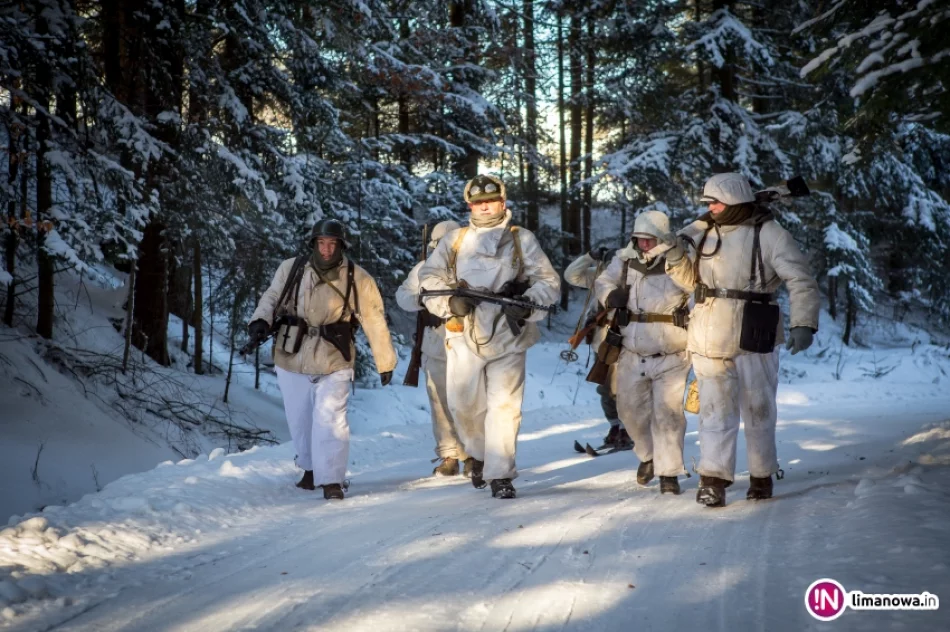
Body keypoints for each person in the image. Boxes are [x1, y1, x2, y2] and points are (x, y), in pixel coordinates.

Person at [662, 173, 820, 507]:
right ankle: (713, 479)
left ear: (733, 200)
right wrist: (675, 261)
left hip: (755, 333)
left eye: (715, 202)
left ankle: (762, 475)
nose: (710, 208)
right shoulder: (704, 233)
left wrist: (804, 323)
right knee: (714, 412)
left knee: (758, 409)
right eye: (707, 203)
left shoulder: (770, 233)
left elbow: (800, 279)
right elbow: (693, 283)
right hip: (708, 335)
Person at [419, 174, 560, 499]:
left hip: (509, 332)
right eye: (478, 202)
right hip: (463, 332)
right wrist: (450, 303)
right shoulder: (454, 241)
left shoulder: (522, 239)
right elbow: (428, 280)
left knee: (504, 407)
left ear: (502, 202)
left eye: (491, 201)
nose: (485, 207)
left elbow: (549, 282)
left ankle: (501, 474)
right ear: (470, 206)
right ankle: (479, 454)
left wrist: (527, 304)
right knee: (463, 405)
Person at [247, 219, 397, 500]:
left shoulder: (357, 277)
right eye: (321, 243)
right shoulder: (291, 268)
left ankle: (332, 480)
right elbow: (272, 297)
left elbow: (374, 319)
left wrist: (385, 360)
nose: (326, 249)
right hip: (292, 354)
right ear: (313, 244)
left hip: (334, 355)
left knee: (331, 418)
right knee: (299, 419)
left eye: (332, 244)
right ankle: (310, 468)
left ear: (341, 246)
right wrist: (260, 320)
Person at [594, 211, 691, 494]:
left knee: (668, 415)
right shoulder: (624, 259)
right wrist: (610, 296)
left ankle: (669, 473)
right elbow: (603, 282)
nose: (644, 244)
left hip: (672, 352)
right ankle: (648, 456)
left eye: (650, 239)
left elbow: (694, 287)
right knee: (630, 413)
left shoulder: (680, 261)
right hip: (631, 350)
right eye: (639, 238)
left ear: (661, 238)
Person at [396, 220, 472, 476]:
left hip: (468, 344)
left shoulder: (474, 268)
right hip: (434, 343)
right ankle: (449, 454)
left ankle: (473, 454)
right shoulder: (423, 269)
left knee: (468, 402)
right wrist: (423, 299)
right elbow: (403, 297)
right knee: (440, 402)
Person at [564, 249, 632, 450]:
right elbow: (571, 275)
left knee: (622, 389)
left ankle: (627, 430)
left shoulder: (635, 278)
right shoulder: (600, 277)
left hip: (626, 341)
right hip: (601, 341)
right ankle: (615, 427)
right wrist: (589, 257)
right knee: (605, 390)